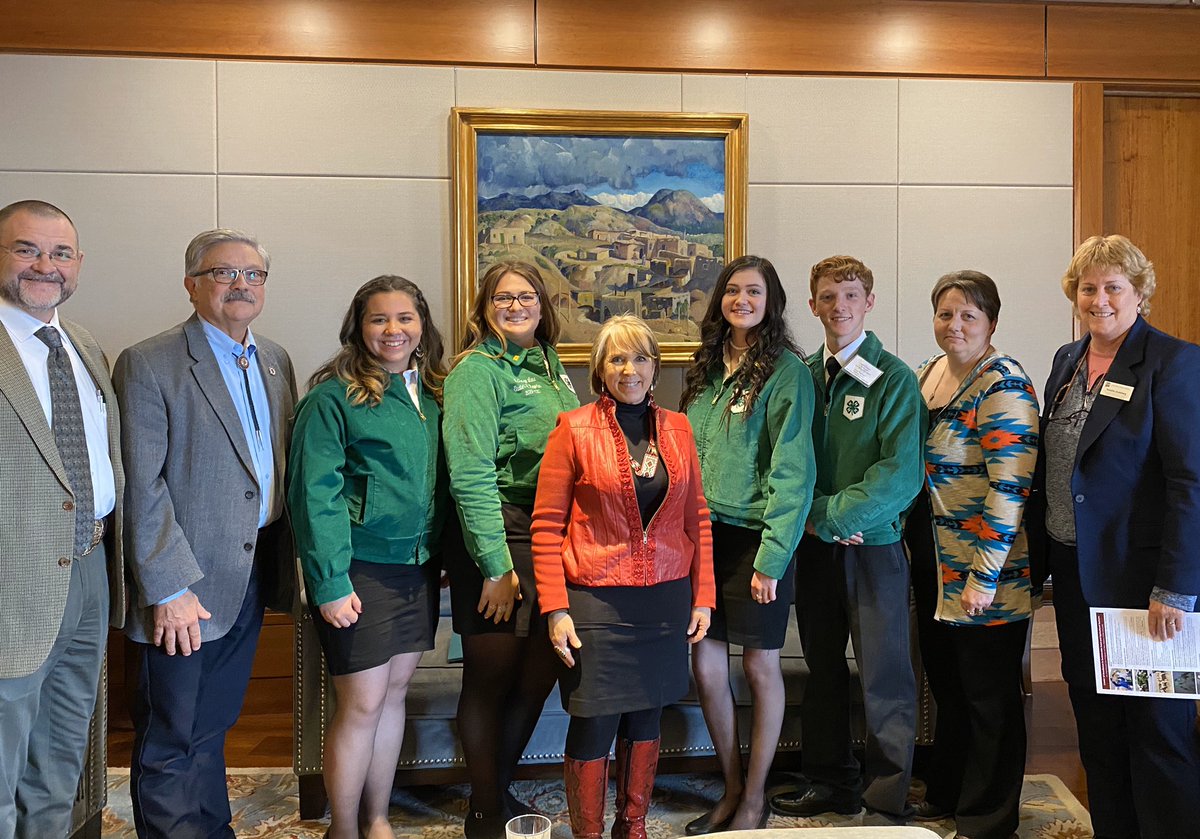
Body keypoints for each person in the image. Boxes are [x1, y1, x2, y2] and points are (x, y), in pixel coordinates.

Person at [114, 229, 297, 839]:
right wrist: (167, 588)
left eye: (254, 275)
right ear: (192, 283)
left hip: (247, 575)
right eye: (224, 273)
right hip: (183, 586)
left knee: (213, 725)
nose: (241, 285)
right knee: (171, 734)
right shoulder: (150, 361)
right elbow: (143, 485)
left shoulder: (274, 359)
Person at [1036, 235, 1200, 838]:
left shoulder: (1173, 362)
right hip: (1077, 576)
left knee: (1158, 732)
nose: (1098, 299)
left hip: (1144, 584)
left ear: (1139, 294)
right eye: (1088, 287)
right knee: (1098, 729)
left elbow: (1191, 482)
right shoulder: (1065, 361)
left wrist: (1176, 589)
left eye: (1113, 287)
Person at [532, 314, 715, 839]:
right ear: (599, 369)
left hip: (666, 601)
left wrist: (702, 597)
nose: (629, 369)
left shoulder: (678, 428)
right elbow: (547, 525)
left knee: (648, 718)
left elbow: (695, 516)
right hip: (596, 604)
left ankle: (631, 827)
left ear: (655, 366)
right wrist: (556, 608)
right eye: (616, 358)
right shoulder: (574, 429)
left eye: (639, 357)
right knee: (594, 719)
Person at [288, 276, 447, 839]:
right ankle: (345, 828)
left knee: (395, 695)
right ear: (359, 326)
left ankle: (378, 817)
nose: (393, 330)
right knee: (362, 704)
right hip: (359, 570)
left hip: (417, 570)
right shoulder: (332, 398)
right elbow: (313, 495)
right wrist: (328, 581)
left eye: (405, 318)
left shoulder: (433, 391)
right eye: (379, 319)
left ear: (422, 325)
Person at [771, 255, 924, 822]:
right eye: (829, 298)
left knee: (884, 675)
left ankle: (886, 796)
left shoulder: (896, 379)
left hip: (874, 549)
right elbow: (782, 458)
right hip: (812, 550)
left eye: (851, 296)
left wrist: (832, 516)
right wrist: (813, 520)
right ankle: (828, 780)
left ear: (869, 303)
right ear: (813, 307)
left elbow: (901, 474)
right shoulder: (799, 377)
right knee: (823, 671)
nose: (840, 308)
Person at [0, 200, 125, 839]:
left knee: (58, 767)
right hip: (10, 585)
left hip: (87, 571)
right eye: (26, 250)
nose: (45, 266)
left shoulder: (82, 345)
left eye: (61, 253)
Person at [442, 260, 580, 837]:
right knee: (490, 676)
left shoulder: (554, 367)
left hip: (548, 530)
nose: (516, 306)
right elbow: (469, 473)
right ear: (484, 307)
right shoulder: (476, 370)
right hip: (495, 527)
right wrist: (495, 567)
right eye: (503, 297)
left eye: (527, 296)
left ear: (543, 305)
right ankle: (484, 810)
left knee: (542, 668)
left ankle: (495, 789)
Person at [680, 255, 816, 833]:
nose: (742, 300)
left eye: (754, 291)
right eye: (732, 291)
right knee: (706, 666)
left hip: (759, 540)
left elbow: (794, 471)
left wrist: (773, 558)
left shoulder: (789, 372)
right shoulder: (706, 366)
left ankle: (756, 797)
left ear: (771, 301)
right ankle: (730, 787)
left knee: (760, 667)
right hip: (702, 537)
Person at [903, 271, 1039, 839]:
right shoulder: (925, 374)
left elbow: (1009, 491)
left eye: (968, 316)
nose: (954, 325)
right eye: (945, 313)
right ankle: (949, 792)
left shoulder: (1003, 385)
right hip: (934, 562)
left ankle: (988, 817)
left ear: (991, 324)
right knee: (950, 686)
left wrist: (983, 576)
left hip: (987, 571)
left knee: (990, 697)